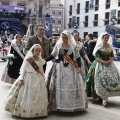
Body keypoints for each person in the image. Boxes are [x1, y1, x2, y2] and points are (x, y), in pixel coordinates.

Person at [45, 30, 87, 112]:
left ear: (68, 38)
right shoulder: (58, 45)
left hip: (71, 68)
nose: (63, 39)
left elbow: (78, 57)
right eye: (62, 37)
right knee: (58, 86)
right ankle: (58, 105)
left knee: (71, 85)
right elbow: (53, 55)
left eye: (65, 38)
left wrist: (78, 67)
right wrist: (44, 60)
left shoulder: (73, 46)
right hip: (59, 68)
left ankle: (72, 105)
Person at [4, 44, 48, 118]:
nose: (38, 52)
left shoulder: (40, 59)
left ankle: (38, 112)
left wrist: (43, 77)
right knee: (28, 95)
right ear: (33, 51)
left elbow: (41, 69)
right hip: (28, 78)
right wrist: (21, 78)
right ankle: (24, 111)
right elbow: (23, 69)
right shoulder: (28, 59)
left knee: (38, 95)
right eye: (36, 50)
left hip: (38, 78)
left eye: (39, 51)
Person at [86, 32, 120, 107]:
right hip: (99, 64)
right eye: (105, 38)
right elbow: (96, 57)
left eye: (107, 38)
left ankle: (105, 97)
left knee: (111, 78)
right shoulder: (99, 46)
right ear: (102, 39)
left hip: (109, 64)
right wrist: (104, 62)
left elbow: (112, 56)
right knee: (100, 79)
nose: (106, 39)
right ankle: (102, 97)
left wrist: (110, 61)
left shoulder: (110, 46)